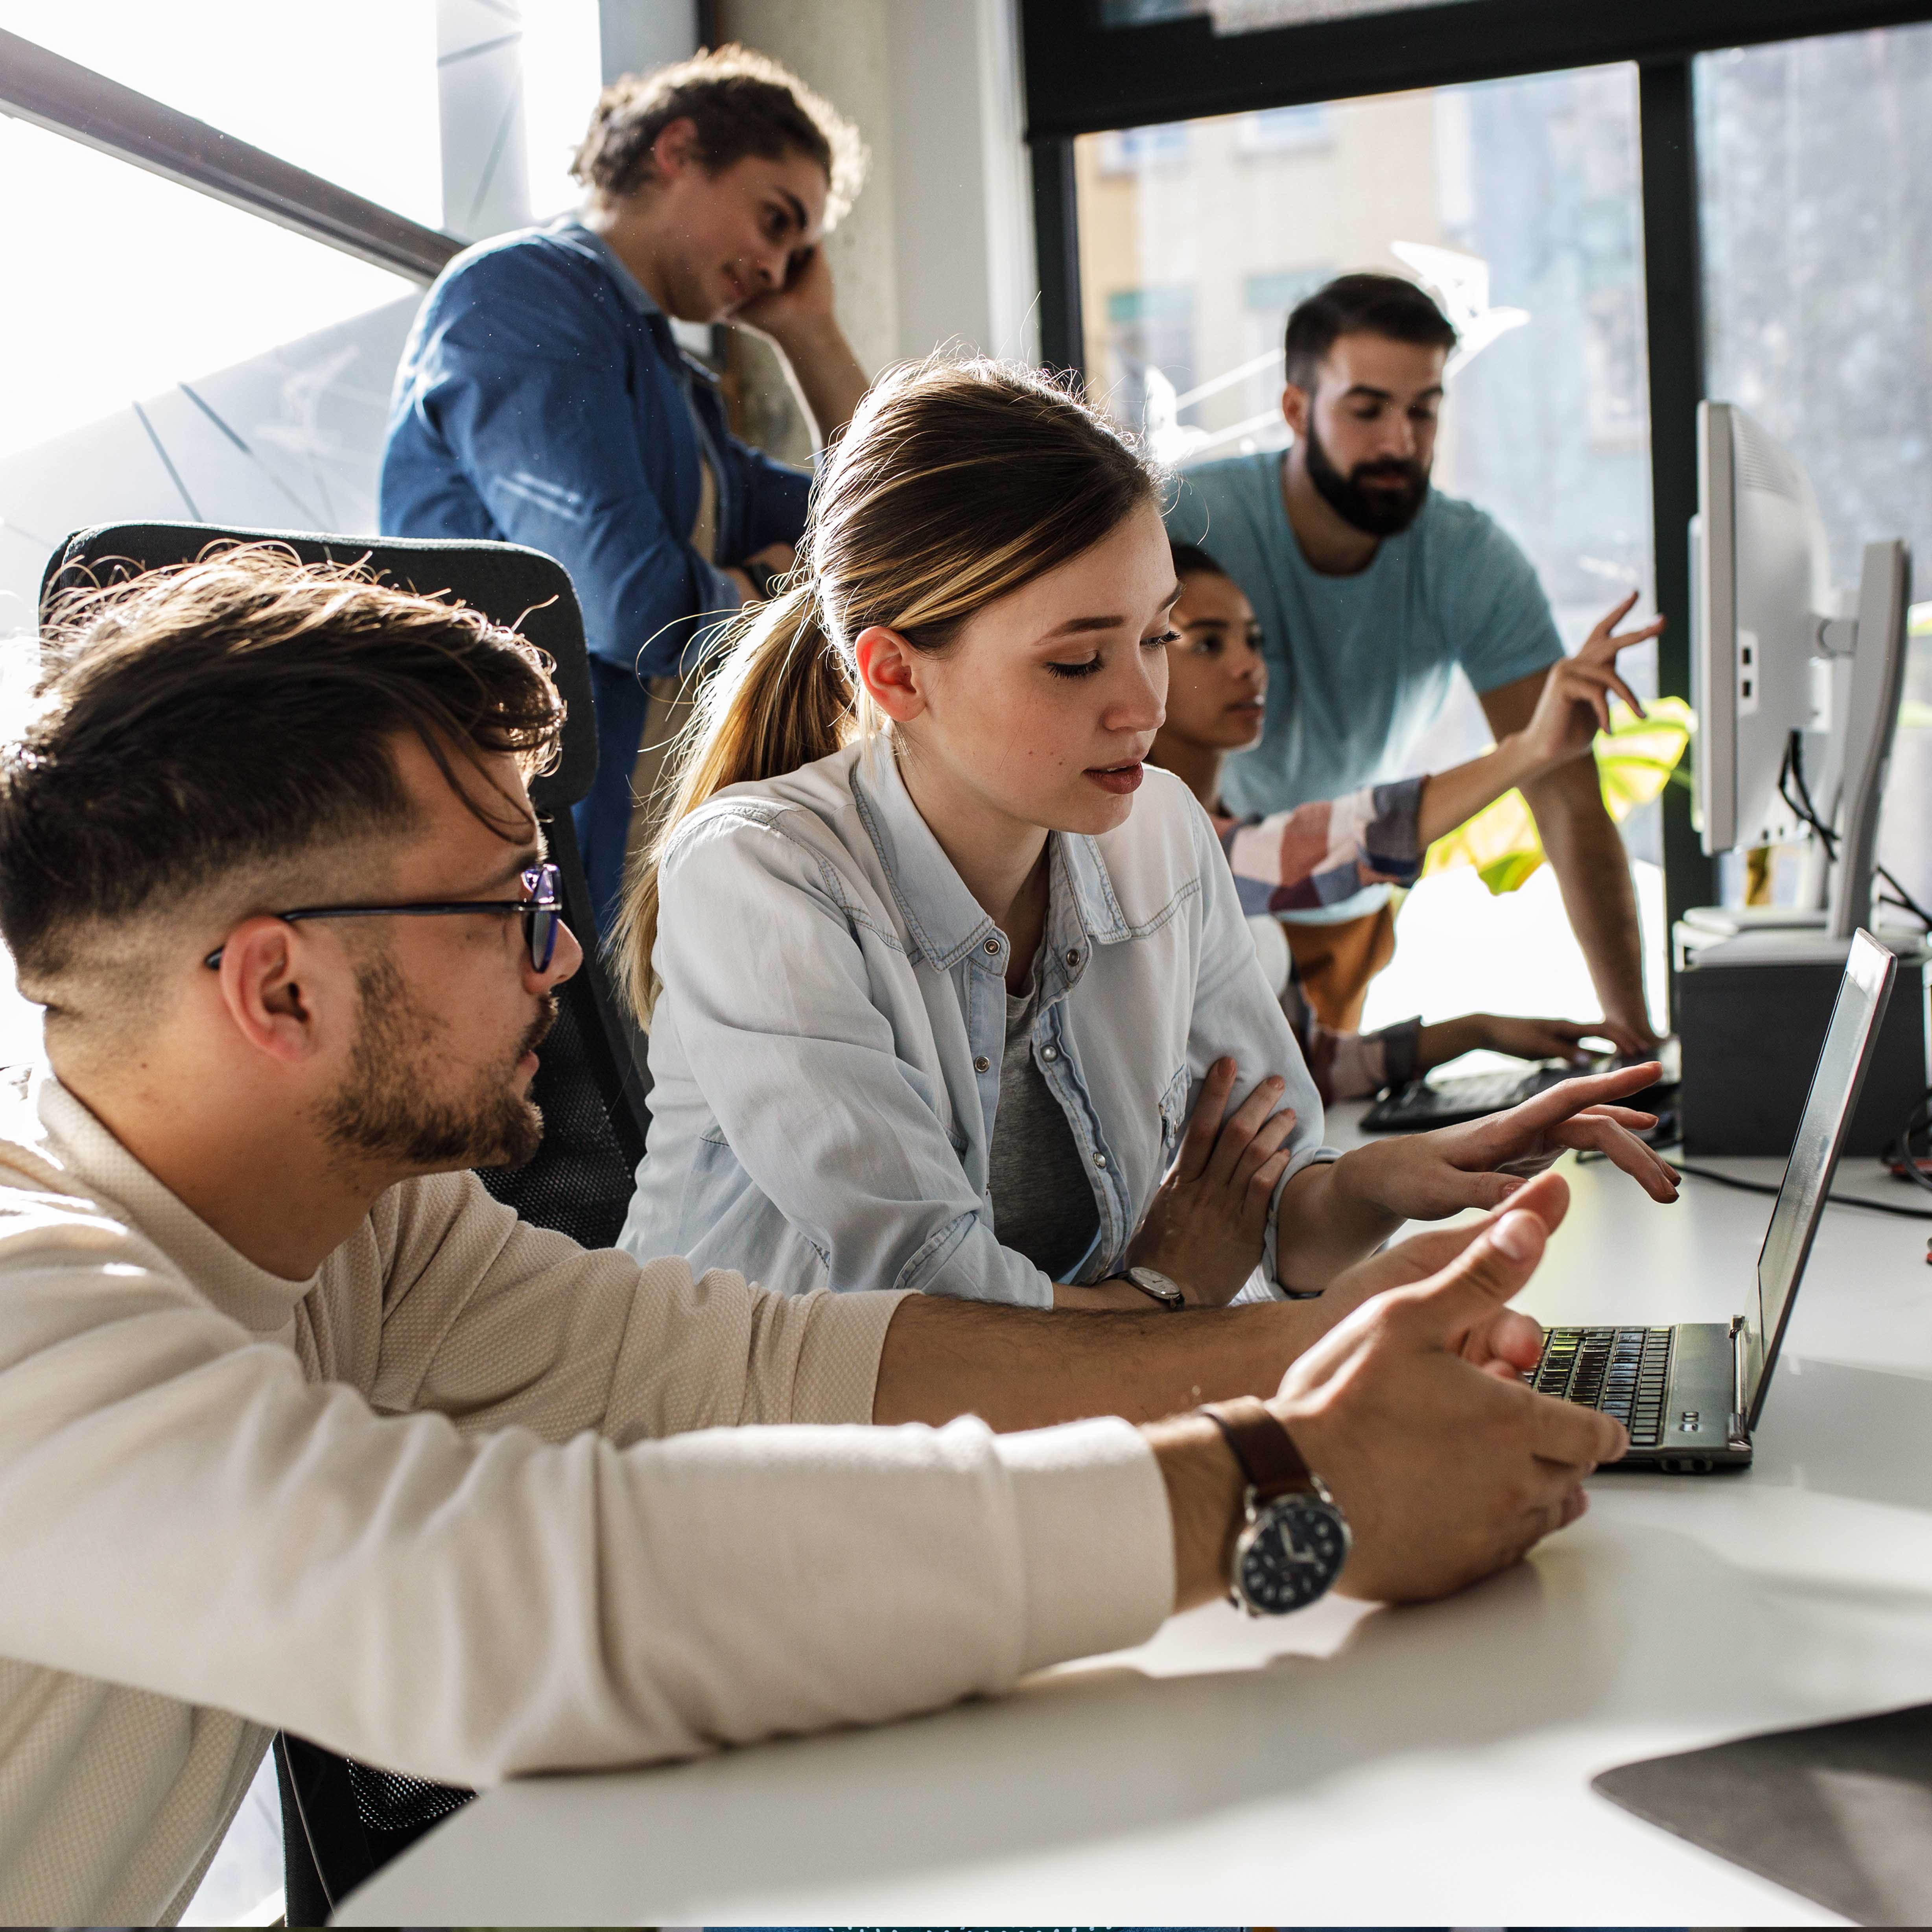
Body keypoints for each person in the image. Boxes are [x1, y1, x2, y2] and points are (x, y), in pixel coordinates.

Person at [0, 546, 1630, 1926]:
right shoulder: (28, 1305)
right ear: (278, 988)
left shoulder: (367, 1230)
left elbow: (760, 1367)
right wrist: (1278, 1482)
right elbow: (525, 1605)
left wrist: (1325, 1352)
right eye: (511, 906)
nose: (559, 962)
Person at [616, 358, 1678, 1312]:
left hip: (1034, 1439)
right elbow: (931, 1313)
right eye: (1077, 663)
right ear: (895, 674)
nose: (1143, 706)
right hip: (755, 1451)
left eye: (1158, 636)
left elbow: (1268, 1214)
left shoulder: (1158, 829)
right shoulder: (760, 875)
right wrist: (1164, 1295)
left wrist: (1385, 1182)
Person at [380, 45, 872, 933]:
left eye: (796, 251)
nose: (775, 266)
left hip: (601, 850)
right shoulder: (524, 292)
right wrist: (770, 588)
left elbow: (880, 513)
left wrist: (810, 333)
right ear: (676, 150)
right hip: (506, 851)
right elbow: (627, 604)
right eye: (774, 220)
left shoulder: (672, 383)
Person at [1164, 272, 1665, 1040]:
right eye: (1366, 410)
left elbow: (1565, 797)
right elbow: (1269, 856)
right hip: (1208, 892)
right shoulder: (1182, 523)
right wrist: (1526, 750)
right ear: (1295, 410)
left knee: (1313, 1090)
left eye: (1422, 411)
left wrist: (1632, 1041)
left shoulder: (1469, 559)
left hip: (1346, 903)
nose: (1399, 442)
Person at [1152, 542, 1653, 1102]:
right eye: (1208, 644)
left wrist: (1480, 1031)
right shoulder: (1153, 844)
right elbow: (1326, 847)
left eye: (1254, 640)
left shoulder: (1217, 838)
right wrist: (1531, 748)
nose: (1250, 665)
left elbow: (1308, 1067)